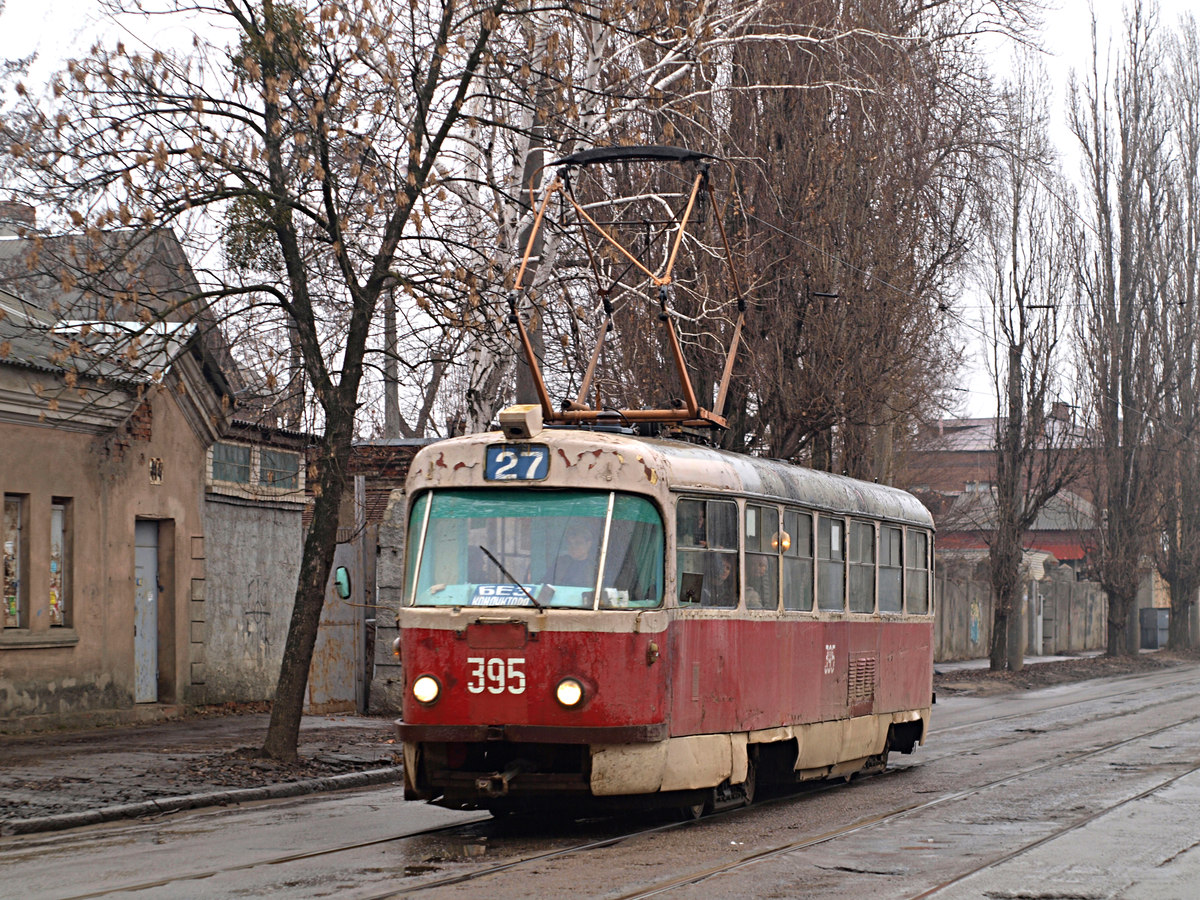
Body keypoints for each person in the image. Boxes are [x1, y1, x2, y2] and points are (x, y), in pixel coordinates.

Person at [551, 522, 599, 586]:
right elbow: (544, 583)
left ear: (588, 544)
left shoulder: (596, 566)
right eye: (570, 543)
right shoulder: (560, 562)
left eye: (578, 543)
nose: (573, 547)